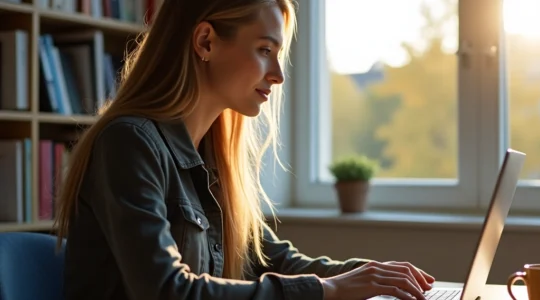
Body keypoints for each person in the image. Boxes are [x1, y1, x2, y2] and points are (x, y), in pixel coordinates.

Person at [53, 0, 435, 299]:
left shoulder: (212, 157)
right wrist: (329, 290)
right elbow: (168, 291)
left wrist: (374, 276)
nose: (278, 75)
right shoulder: (129, 143)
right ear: (205, 41)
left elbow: (275, 260)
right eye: (264, 50)